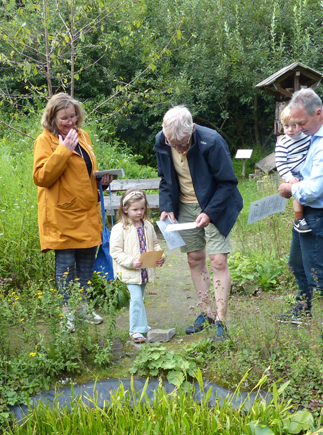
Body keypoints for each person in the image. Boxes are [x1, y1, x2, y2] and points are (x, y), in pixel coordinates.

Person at [155, 105, 244, 342]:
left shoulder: (212, 142)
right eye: (173, 144)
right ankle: (207, 313)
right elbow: (164, 178)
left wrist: (210, 213)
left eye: (183, 144)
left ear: (192, 129)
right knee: (194, 258)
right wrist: (167, 205)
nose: (178, 149)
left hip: (216, 204)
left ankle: (222, 322)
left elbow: (228, 183)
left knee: (217, 259)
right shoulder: (162, 141)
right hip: (184, 206)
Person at [33, 93, 114, 332]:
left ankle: (83, 307)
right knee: (66, 264)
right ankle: (67, 312)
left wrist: (103, 181)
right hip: (62, 214)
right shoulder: (45, 141)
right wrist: (63, 151)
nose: (70, 121)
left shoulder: (84, 136)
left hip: (87, 211)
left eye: (73, 116)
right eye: (64, 118)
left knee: (87, 262)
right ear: (52, 118)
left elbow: (88, 172)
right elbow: (41, 177)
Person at [277, 88, 323, 345]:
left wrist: (289, 188)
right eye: (294, 122)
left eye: (302, 122)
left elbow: (313, 190)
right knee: (297, 264)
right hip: (307, 213)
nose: (297, 127)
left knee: (320, 274)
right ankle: (303, 308)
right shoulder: (318, 134)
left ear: (318, 113)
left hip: (319, 215)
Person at [110, 189, 165, 343]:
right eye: (135, 209)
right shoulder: (119, 228)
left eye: (142, 208)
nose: (139, 212)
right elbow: (115, 251)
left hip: (145, 270)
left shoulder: (147, 225)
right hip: (130, 271)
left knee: (140, 298)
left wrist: (161, 257)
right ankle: (135, 330)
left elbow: (155, 245)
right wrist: (130, 262)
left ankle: (143, 326)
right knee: (135, 298)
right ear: (125, 209)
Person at [276, 105, 312, 233]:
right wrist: (289, 178)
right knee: (298, 197)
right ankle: (299, 219)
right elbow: (281, 164)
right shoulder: (283, 143)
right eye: (286, 126)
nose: (290, 129)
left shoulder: (307, 137)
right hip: (294, 175)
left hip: (308, 173)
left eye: (294, 125)